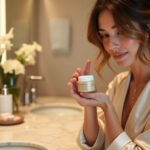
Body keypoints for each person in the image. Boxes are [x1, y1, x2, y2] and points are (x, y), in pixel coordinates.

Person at [68, 0, 150, 149]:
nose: (111, 45)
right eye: (105, 35)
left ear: (146, 29)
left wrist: (107, 107)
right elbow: (98, 144)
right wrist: (90, 104)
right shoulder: (119, 83)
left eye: (120, 32)